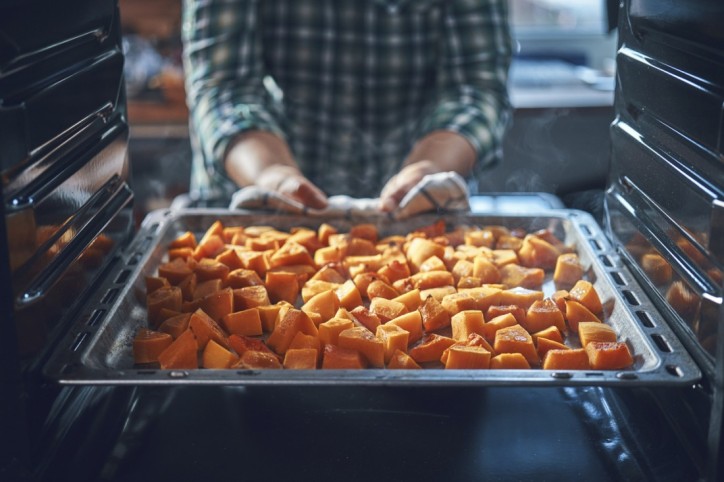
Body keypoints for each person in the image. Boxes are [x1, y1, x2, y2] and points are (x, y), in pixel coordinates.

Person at [182, 0, 512, 212]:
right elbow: (224, 88)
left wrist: (428, 169)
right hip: (250, 204)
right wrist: (272, 175)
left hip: (419, 215)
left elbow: (475, 89)